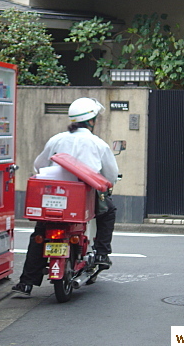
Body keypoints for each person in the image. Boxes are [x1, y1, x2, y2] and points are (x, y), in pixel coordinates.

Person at [12, 97, 120, 296]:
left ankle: (26, 283)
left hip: (53, 196)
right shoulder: (98, 144)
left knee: (40, 232)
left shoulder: (57, 139)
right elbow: (111, 175)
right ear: (91, 121)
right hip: (83, 198)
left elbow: (39, 165)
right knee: (109, 211)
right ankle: (102, 253)